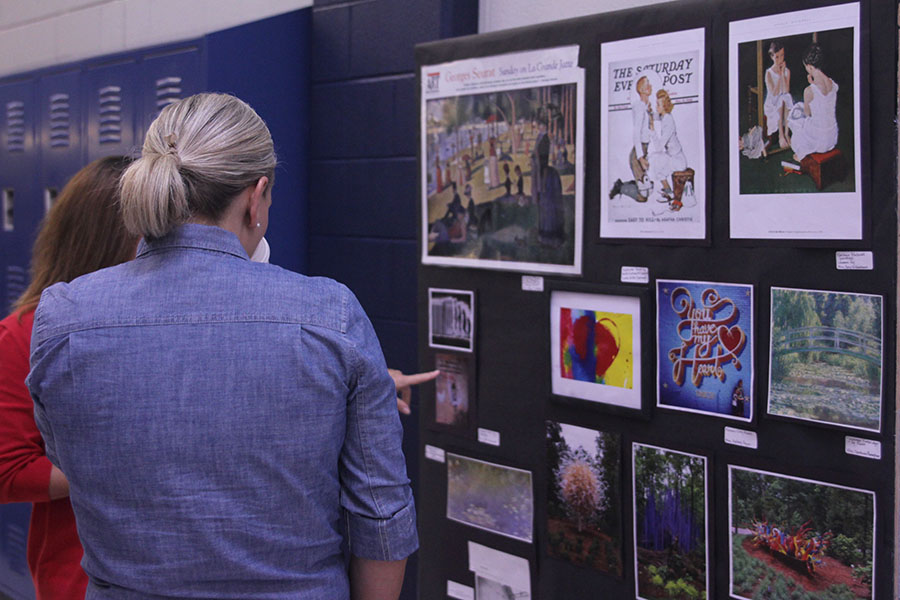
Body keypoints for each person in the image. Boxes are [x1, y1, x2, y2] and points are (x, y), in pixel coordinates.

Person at [26, 93, 418, 599]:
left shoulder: (64, 318)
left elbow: (70, 459)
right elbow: (380, 513)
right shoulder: (330, 314)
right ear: (256, 197)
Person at [0, 156, 138, 600]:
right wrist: (128, 468)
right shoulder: (25, 334)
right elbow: (8, 469)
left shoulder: (164, 324)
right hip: (79, 575)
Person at [787, 42, 839, 162]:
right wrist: (813, 84)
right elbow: (823, 99)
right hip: (832, 137)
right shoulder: (833, 84)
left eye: (806, 67)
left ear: (810, 67)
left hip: (819, 140)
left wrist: (812, 86)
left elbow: (808, 113)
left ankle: (801, 152)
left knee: (797, 114)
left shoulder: (809, 91)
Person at [647, 89, 687, 209]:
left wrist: (652, 130)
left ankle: (670, 193)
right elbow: (656, 116)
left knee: (655, 162)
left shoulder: (668, 121)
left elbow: (659, 147)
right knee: (652, 159)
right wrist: (649, 113)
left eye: (658, 104)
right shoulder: (665, 116)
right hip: (671, 156)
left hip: (677, 160)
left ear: (664, 106)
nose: (656, 106)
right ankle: (668, 191)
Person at [764, 40, 792, 149]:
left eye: (782, 56)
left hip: (783, 100)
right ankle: (780, 135)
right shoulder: (769, 73)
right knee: (781, 98)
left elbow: (786, 90)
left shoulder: (787, 71)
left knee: (786, 97)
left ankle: (786, 133)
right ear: (771, 57)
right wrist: (780, 74)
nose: (780, 59)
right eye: (777, 57)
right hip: (772, 103)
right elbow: (774, 93)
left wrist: (783, 72)